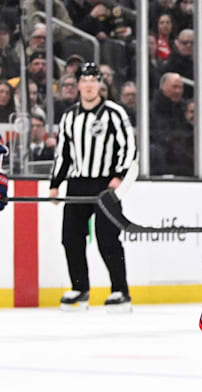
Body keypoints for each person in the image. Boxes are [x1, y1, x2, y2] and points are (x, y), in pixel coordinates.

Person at [49, 62, 137, 312]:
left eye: (93, 80)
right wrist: (55, 184)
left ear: (100, 84)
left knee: (107, 237)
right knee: (70, 237)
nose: (88, 85)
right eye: (84, 80)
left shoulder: (114, 113)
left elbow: (129, 147)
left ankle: (120, 290)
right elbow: (63, 154)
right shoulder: (69, 116)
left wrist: (119, 176)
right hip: (77, 183)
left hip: (105, 183)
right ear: (78, 84)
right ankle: (80, 288)